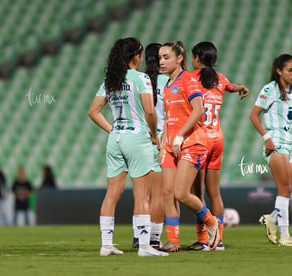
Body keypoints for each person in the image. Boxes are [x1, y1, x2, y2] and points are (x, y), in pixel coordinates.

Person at [87, 37, 168, 257]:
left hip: (116, 140)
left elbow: (93, 111)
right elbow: (150, 112)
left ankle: (106, 245)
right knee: (142, 196)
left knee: (112, 195)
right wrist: (154, 136)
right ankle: (144, 246)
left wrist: (112, 129)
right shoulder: (141, 78)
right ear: (135, 56)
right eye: (140, 55)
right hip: (137, 139)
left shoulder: (110, 80)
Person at [158, 41, 220, 252]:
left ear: (180, 58)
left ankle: (212, 223)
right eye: (160, 58)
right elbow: (169, 117)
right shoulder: (166, 85)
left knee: (181, 193)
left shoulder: (189, 80)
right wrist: (164, 140)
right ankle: (173, 241)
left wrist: (179, 137)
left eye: (166, 57)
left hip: (191, 143)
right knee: (167, 193)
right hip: (170, 145)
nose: (162, 62)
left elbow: (198, 111)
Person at [187, 41, 249, 251]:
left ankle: (204, 239)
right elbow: (233, 87)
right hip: (217, 140)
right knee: (215, 193)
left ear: (196, 58)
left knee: (197, 193)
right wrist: (242, 88)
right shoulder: (220, 79)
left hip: (201, 140)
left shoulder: (191, 79)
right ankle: (219, 240)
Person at [249, 54, 292, 246]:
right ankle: (285, 236)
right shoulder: (269, 90)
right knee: (284, 189)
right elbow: (253, 116)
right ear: (279, 71)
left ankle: (272, 219)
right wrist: (266, 138)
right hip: (276, 144)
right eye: (290, 70)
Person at [132, 43, 168, 249]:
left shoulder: (140, 80)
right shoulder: (169, 82)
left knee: (141, 194)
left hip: (140, 139)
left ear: (146, 60)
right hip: (162, 139)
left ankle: (139, 236)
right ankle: (153, 238)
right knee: (158, 194)